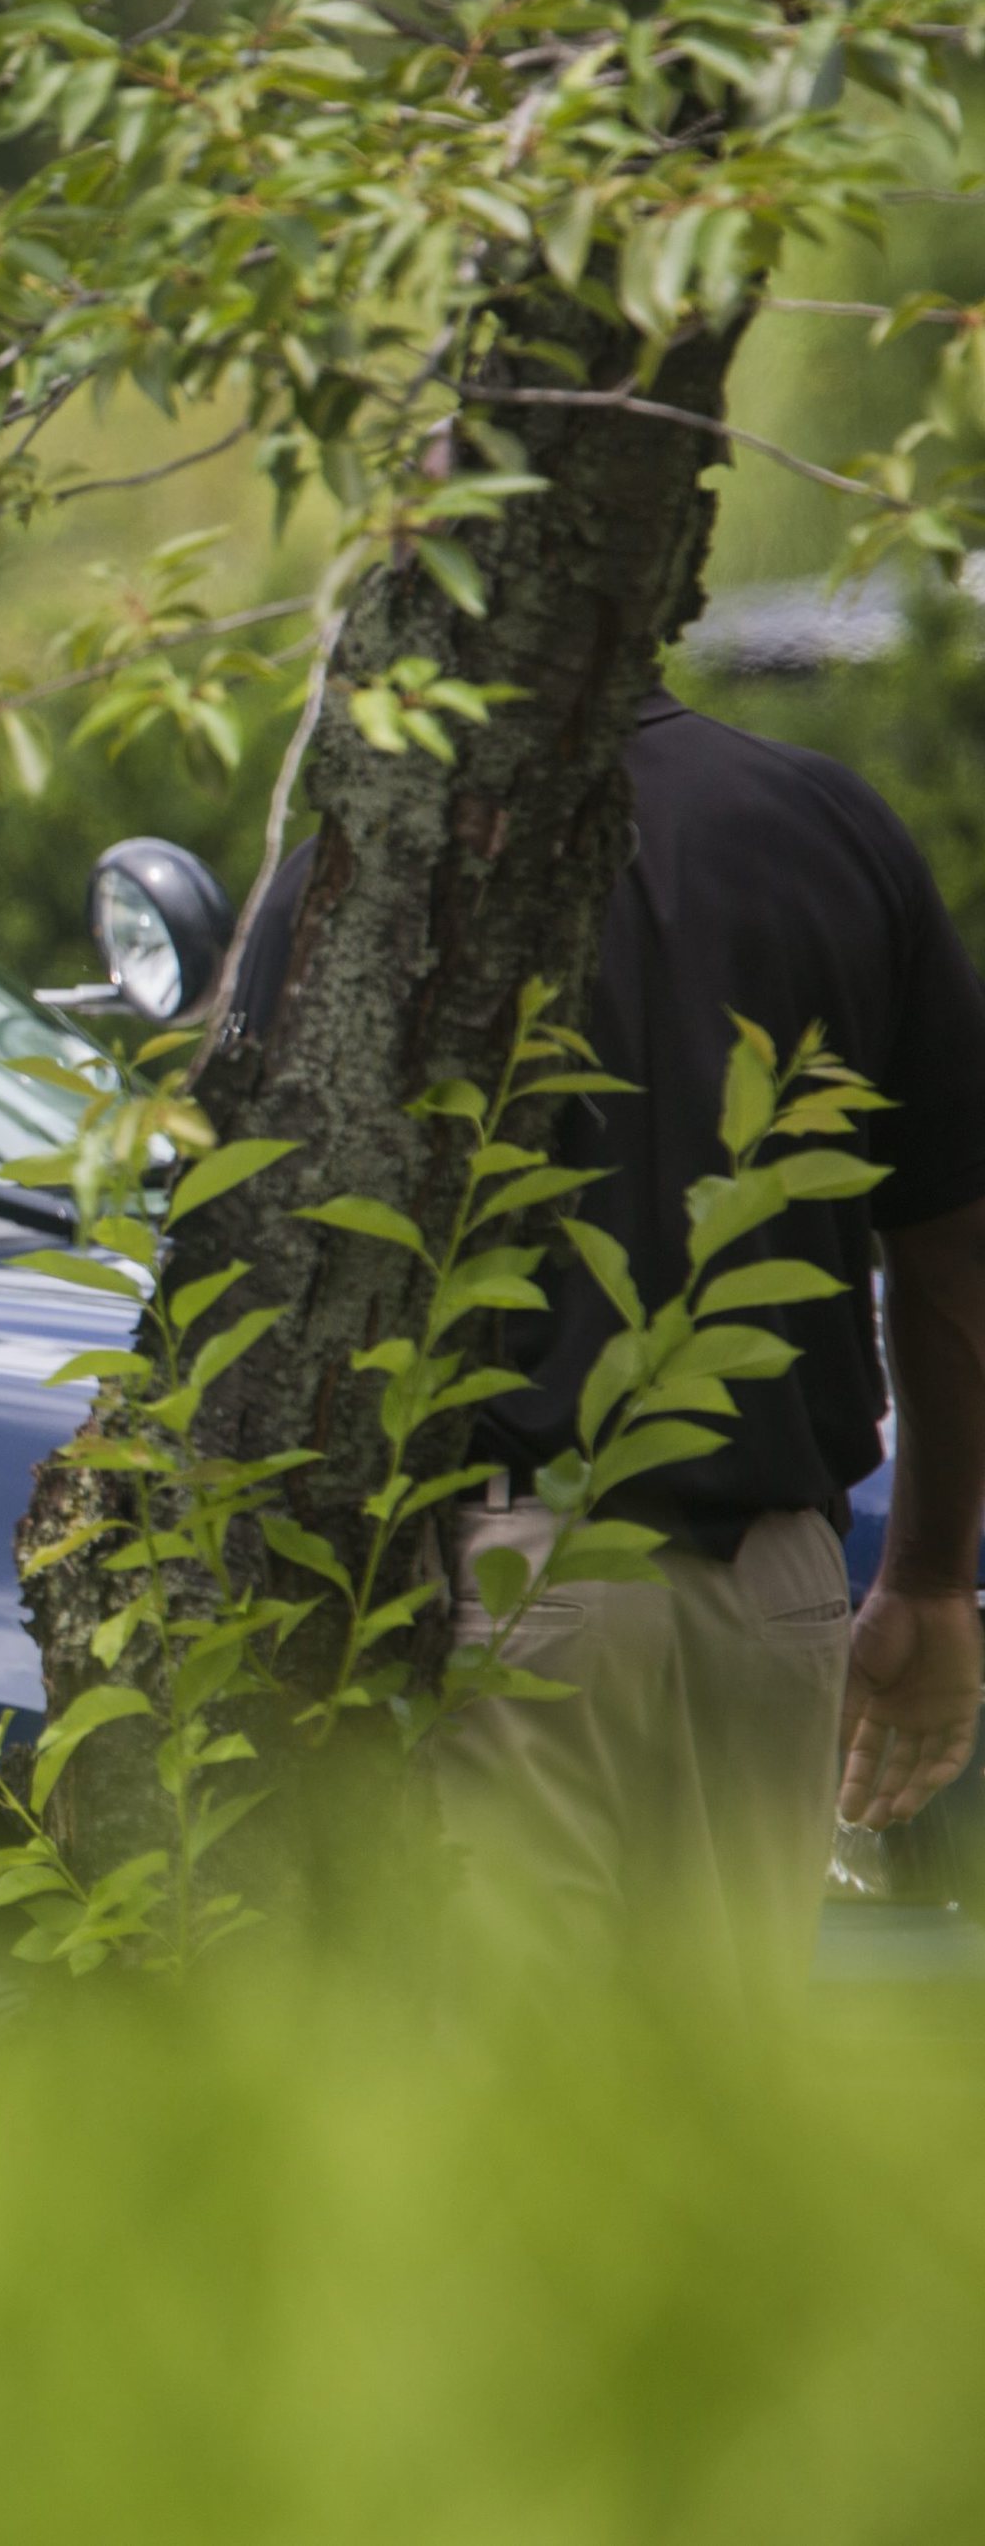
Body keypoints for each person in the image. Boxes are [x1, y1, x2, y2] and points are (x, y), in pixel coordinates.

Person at [231, 689, 985, 2003]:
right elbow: (952, 1242)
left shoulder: (380, 862)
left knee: (505, 2125)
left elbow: (267, 1275)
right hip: (779, 1590)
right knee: (714, 2121)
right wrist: (927, 1572)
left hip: (510, 1585)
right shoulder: (830, 826)